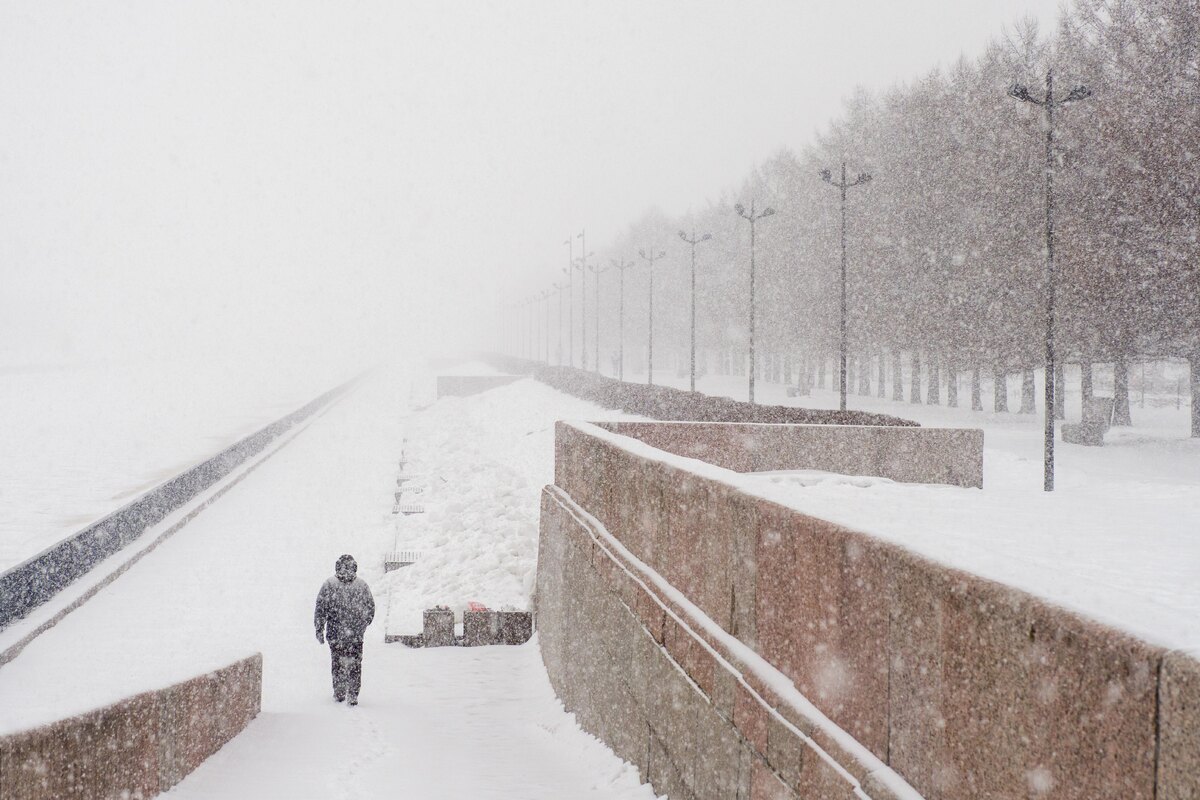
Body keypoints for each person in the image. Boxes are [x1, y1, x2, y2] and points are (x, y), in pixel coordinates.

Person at [314, 554, 375, 705]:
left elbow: (320, 609)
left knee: (337, 663)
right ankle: (353, 693)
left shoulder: (329, 585)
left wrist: (319, 628)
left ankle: (339, 691)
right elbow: (370, 608)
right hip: (355, 634)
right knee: (355, 663)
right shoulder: (362, 586)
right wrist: (362, 625)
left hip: (335, 633)